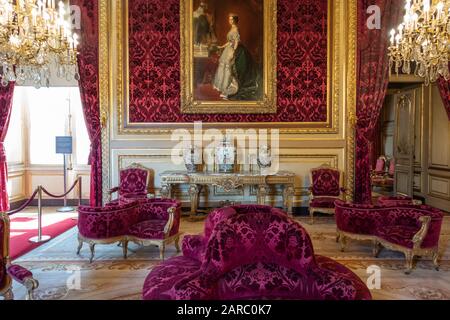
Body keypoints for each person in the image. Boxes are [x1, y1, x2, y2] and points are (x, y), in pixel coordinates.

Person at [213, 14, 258, 100]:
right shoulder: (232, 29)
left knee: (230, 68)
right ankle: (224, 88)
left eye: (231, 19)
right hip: (228, 49)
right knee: (225, 67)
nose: (229, 21)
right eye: (229, 19)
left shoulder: (236, 29)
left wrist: (233, 52)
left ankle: (230, 89)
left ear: (234, 20)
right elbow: (230, 41)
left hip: (233, 50)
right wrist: (221, 47)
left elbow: (236, 42)